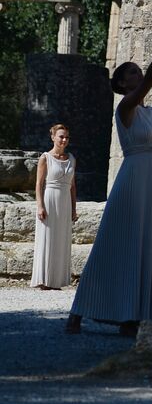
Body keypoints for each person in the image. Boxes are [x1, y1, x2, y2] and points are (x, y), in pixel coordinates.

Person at [67, 18, 152, 335]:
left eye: (137, 70)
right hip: (131, 181)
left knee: (143, 245)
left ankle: (133, 314)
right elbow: (151, 81)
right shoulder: (125, 109)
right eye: (131, 72)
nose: (138, 74)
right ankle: (79, 310)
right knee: (114, 242)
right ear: (122, 84)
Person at [31, 123, 77, 290]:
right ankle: (44, 279)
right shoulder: (45, 158)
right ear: (53, 137)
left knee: (62, 239)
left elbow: (72, 186)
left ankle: (57, 281)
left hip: (65, 201)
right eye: (61, 137)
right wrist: (40, 206)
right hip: (50, 199)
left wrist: (74, 208)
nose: (64, 140)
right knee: (48, 237)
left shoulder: (71, 158)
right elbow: (38, 184)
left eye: (66, 137)